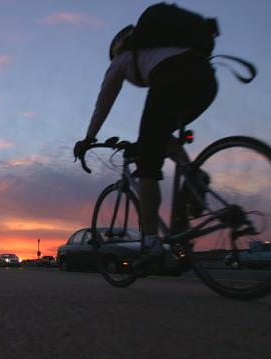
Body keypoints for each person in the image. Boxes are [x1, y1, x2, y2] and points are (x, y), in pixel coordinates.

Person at [74, 16, 218, 264]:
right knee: (159, 136)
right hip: (205, 79)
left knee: (147, 165)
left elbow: (104, 102)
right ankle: (193, 174)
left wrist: (88, 138)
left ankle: (151, 244)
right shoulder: (162, 48)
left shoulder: (122, 58)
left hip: (172, 77)